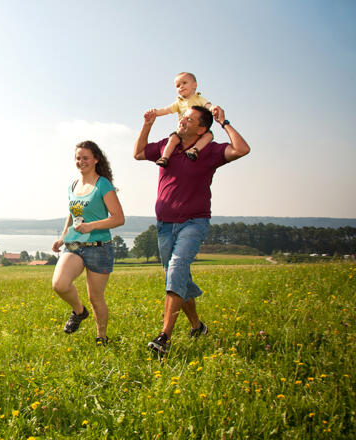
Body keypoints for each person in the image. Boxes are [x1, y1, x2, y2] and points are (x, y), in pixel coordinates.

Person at [133, 105, 250, 354]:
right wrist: (148, 124)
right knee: (178, 277)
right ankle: (197, 326)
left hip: (194, 222)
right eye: (183, 117)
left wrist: (224, 122)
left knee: (175, 271)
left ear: (201, 129)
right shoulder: (169, 145)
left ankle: (164, 337)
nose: (183, 121)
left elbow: (242, 149)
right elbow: (139, 152)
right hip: (164, 225)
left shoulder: (209, 150)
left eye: (189, 119)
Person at [51, 141, 125, 346]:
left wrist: (92, 226)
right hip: (75, 245)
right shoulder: (73, 186)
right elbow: (73, 214)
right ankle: (79, 311)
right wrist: (63, 237)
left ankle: (102, 337)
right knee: (59, 284)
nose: (81, 161)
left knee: (96, 298)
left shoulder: (103, 185)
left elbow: (118, 218)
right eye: (78, 158)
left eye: (85, 158)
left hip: (100, 248)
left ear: (95, 159)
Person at [150, 72, 214, 167]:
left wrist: (214, 108)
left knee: (209, 136)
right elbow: (166, 110)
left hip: (197, 128)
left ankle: (195, 149)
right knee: (172, 139)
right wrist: (155, 113)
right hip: (183, 130)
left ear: (194, 85)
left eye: (184, 83)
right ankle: (164, 157)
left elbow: (208, 105)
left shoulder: (199, 99)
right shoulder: (178, 103)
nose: (181, 87)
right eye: (178, 85)